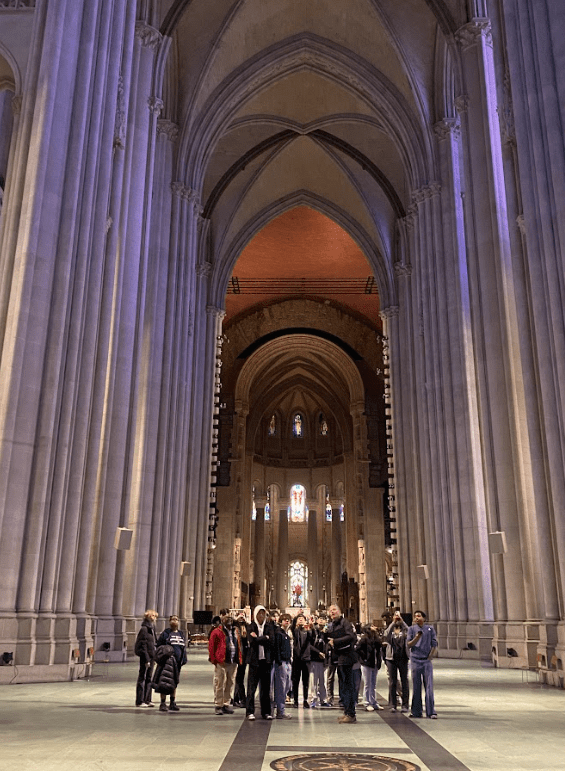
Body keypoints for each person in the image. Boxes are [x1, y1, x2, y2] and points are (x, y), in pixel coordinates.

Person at [326, 604, 358, 723]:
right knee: (343, 686)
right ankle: (347, 711)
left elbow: (351, 636)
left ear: (339, 611)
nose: (332, 612)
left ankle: (351, 714)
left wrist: (335, 641)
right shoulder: (333, 624)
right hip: (339, 658)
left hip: (347, 657)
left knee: (348, 686)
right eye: (330, 610)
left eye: (334, 609)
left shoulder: (345, 622)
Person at [208, 608, 242, 715]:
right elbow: (212, 646)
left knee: (230, 683)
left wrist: (239, 658)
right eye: (226, 618)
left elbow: (238, 644)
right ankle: (218, 704)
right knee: (219, 683)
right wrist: (214, 659)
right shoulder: (217, 631)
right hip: (221, 661)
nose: (228, 621)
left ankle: (226, 703)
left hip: (233, 661)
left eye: (230, 619)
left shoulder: (235, 631)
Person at [245, 604, 275, 720]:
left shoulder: (269, 626)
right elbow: (252, 641)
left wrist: (259, 638)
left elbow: (271, 641)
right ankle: (250, 712)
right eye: (259, 613)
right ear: (255, 615)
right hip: (254, 661)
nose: (261, 615)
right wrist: (264, 638)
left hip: (266, 662)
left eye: (263, 613)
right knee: (251, 688)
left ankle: (266, 712)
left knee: (265, 689)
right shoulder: (251, 626)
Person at [407, 610, 438, 719]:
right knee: (416, 686)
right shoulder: (411, 629)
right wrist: (417, 637)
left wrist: (431, 654)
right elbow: (409, 644)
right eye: (415, 616)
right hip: (415, 660)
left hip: (426, 661)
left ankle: (431, 711)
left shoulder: (430, 629)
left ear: (424, 618)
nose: (417, 618)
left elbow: (434, 643)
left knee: (429, 686)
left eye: (419, 616)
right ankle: (416, 711)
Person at [155, 614, 187, 711]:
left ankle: (172, 702)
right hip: (167, 663)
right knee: (164, 682)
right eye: (173, 619)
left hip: (177, 663)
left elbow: (183, 647)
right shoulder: (165, 633)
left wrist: (183, 659)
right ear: (169, 622)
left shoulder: (181, 634)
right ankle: (163, 703)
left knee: (174, 682)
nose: (174, 621)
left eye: (176, 619)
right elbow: (159, 647)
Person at [384, 610, 410, 713]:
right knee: (392, 682)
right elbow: (386, 634)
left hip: (403, 658)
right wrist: (393, 623)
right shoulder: (391, 629)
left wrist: (402, 622)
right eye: (395, 616)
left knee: (404, 682)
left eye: (398, 616)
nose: (397, 618)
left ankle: (405, 705)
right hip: (391, 658)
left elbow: (410, 632)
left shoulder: (404, 629)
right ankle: (393, 704)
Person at [355, 621, 383, 711]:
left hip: (374, 663)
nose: (374, 627)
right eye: (372, 626)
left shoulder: (376, 638)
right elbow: (358, 649)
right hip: (367, 663)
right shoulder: (364, 639)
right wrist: (364, 658)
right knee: (367, 684)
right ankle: (367, 702)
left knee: (373, 683)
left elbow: (379, 649)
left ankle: (373, 702)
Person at [134, 609, 158, 707]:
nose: (155, 618)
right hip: (146, 657)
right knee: (142, 678)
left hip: (151, 657)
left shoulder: (151, 628)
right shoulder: (144, 629)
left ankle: (147, 699)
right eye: (154, 616)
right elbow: (143, 645)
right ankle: (140, 701)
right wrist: (147, 659)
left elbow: (153, 643)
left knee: (149, 678)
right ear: (150, 617)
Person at [273, 613, 293, 719]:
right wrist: (280, 662)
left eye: (288, 620)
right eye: (284, 620)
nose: (287, 621)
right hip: (282, 663)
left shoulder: (285, 633)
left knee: (286, 686)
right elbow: (277, 649)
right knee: (281, 687)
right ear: (280, 621)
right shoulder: (279, 633)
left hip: (287, 662)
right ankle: (280, 711)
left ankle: (282, 709)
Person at [307, 616, 329, 707]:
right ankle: (314, 699)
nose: (321, 620)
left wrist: (326, 655)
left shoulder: (326, 633)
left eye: (323, 619)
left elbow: (328, 645)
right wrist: (318, 652)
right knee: (314, 681)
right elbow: (309, 645)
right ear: (317, 620)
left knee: (323, 681)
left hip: (323, 660)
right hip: (314, 659)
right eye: (320, 618)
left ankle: (323, 699)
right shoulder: (313, 631)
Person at [291, 613, 310, 707]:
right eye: (299, 618)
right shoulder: (294, 630)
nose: (301, 620)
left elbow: (311, 639)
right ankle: (295, 700)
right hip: (296, 659)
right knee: (295, 680)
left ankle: (305, 700)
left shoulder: (308, 631)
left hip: (306, 659)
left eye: (302, 618)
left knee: (305, 681)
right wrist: (296, 624)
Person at [232, 612, 248, 707]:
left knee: (239, 678)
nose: (241, 620)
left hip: (243, 656)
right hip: (234, 656)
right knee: (236, 679)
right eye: (240, 618)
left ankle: (239, 698)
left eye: (243, 618)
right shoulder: (234, 629)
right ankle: (239, 698)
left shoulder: (247, 628)